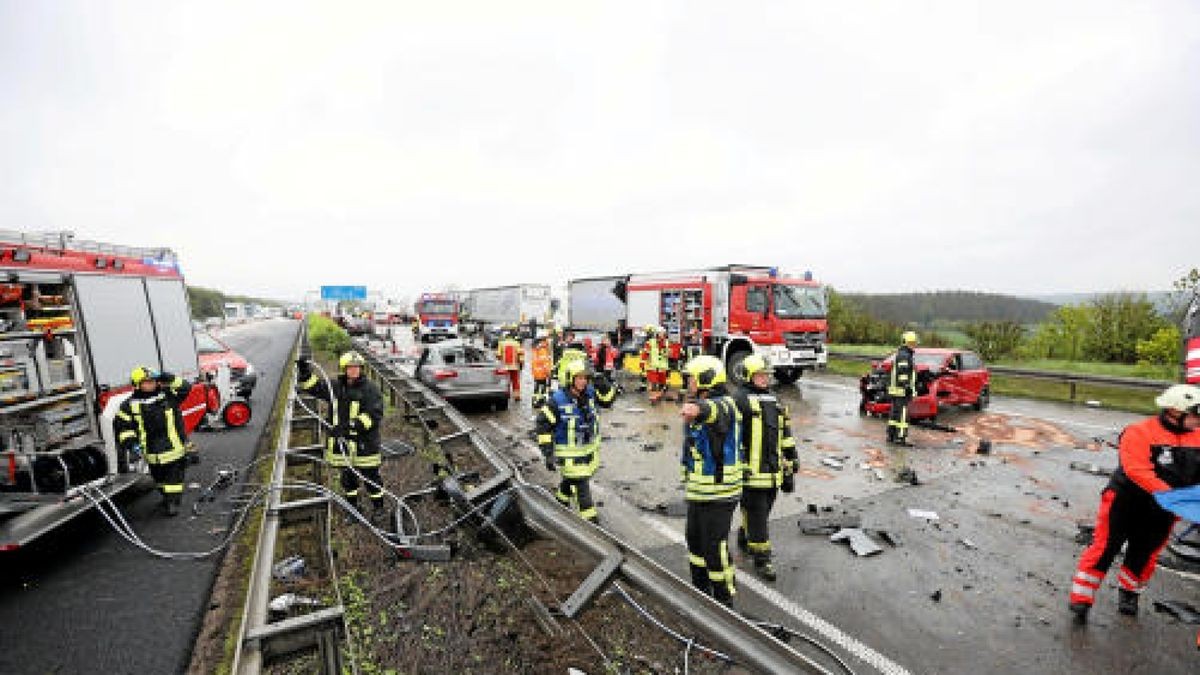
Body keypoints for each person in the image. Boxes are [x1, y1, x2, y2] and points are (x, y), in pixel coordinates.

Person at [1068, 384, 1200, 622]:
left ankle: (1129, 593)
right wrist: (1176, 497)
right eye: (1195, 414)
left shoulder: (1198, 436)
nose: (1198, 420)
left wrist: (1186, 500)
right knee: (1105, 548)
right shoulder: (1139, 432)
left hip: (1164, 507)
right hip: (1126, 501)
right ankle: (1081, 599)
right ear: (1173, 411)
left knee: (1145, 553)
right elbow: (1138, 471)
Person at [679, 355, 744, 607]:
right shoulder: (699, 401)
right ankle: (701, 591)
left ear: (706, 378)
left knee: (714, 549)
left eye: (692, 378)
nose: (688, 383)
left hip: (720, 492)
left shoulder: (724, 404)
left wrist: (697, 409)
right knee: (694, 541)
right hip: (699, 492)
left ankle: (725, 601)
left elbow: (715, 411)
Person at [732, 355, 798, 581]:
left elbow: (785, 433)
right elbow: (731, 437)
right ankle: (763, 559)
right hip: (750, 474)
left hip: (772, 473)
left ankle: (744, 533)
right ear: (749, 376)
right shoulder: (739, 399)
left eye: (767, 375)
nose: (765, 379)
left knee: (763, 511)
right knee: (759, 516)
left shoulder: (775, 400)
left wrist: (792, 459)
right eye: (760, 375)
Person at [297, 352, 387, 519]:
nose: (354, 370)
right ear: (344, 369)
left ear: (361, 368)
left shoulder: (370, 389)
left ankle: (379, 509)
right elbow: (315, 387)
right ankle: (353, 509)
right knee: (348, 479)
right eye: (350, 367)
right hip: (342, 443)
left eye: (357, 367)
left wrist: (348, 427)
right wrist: (305, 372)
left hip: (364, 445)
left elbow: (374, 415)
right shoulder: (336, 386)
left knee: (371, 477)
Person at [537, 358, 615, 522]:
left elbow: (608, 400)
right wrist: (548, 453)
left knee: (573, 479)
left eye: (585, 378)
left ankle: (560, 501)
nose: (583, 381)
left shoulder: (590, 393)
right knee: (581, 487)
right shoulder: (556, 401)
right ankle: (591, 523)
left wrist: (601, 381)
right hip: (569, 457)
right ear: (570, 379)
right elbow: (543, 426)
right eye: (579, 378)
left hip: (588, 453)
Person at [114, 366, 192, 516]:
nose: (152, 384)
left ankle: (172, 503)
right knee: (159, 479)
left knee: (173, 479)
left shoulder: (168, 396)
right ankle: (166, 498)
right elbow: (124, 428)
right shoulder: (128, 405)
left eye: (154, 381)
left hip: (173, 450)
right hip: (151, 452)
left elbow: (186, 388)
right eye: (147, 382)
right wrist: (132, 445)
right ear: (137, 384)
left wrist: (167, 377)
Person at [887, 331, 918, 446]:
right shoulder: (905, 355)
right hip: (902, 390)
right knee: (903, 414)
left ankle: (891, 435)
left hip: (897, 390)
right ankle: (900, 437)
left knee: (895, 413)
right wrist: (906, 386)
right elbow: (903, 373)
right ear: (908, 342)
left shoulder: (902, 353)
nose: (914, 345)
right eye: (913, 342)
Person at [496, 330, 524, 401]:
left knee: (506, 381)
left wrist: (501, 359)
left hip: (505, 367)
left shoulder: (501, 343)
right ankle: (516, 396)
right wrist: (521, 364)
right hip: (514, 366)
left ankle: (507, 394)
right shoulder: (516, 343)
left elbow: (498, 355)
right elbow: (520, 355)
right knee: (515, 381)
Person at [646, 326, 669, 404]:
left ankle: (658, 396)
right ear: (657, 334)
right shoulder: (650, 342)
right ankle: (653, 399)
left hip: (663, 367)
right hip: (652, 367)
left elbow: (670, 354)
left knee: (662, 384)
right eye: (660, 333)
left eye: (663, 333)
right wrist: (642, 362)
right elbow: (646, 352)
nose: (662, 335)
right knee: (653, 383)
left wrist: (664, 349)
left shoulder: (666, 342)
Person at [530, 338, 553, 408]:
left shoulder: (536, 350)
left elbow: (534, 361)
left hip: (536, 372)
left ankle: (534, 401)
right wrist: (549, 373)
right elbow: (545, 363)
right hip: (542, 373)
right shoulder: (543, 351)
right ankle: (540, 402)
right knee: (543, 388)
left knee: (536, 387)